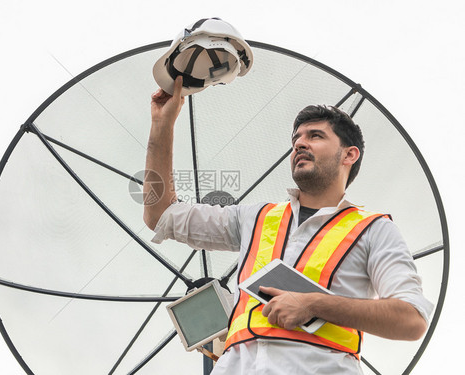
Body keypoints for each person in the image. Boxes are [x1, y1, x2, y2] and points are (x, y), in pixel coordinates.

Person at [143, 77, 433, 374]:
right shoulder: (254, 217)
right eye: (297, 139)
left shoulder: (374, 229)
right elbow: (161, 215)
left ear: (349, 154)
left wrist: (314, 304)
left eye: (316, 136)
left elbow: (411, 319)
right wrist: (162, 125)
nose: (300, 143)